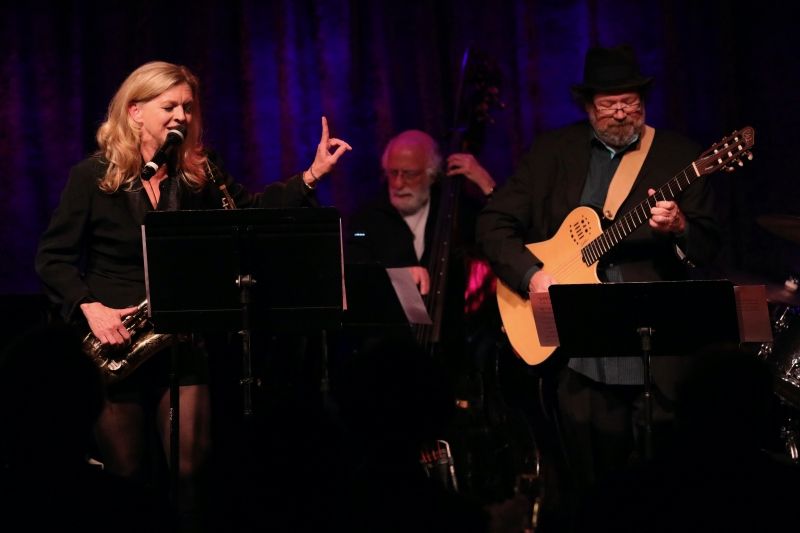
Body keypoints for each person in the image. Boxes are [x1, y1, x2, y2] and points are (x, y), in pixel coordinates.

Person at [34, 60, 351, 531]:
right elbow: (53, 258)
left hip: (182, 340)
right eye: (169, 106)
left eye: (187, 106)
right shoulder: (93, 177)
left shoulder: (202, 174)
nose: (181, 115)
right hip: (117, 341)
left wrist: (310, 176)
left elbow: (254, 216)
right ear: (136, 111)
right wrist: (90, 307)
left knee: (192, 473)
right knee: (127, 475)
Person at [476, 45, 721, 526]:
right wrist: (531, 274)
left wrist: (680, 230)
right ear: (588, 106)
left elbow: (709, 246)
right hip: (580, 359)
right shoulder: (552, 153)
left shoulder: (679, 157)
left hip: (659, 360)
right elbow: (492, 223)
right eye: (609, 104)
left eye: (630, 102)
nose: (621, 113)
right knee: (591, 497)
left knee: (667, 496)